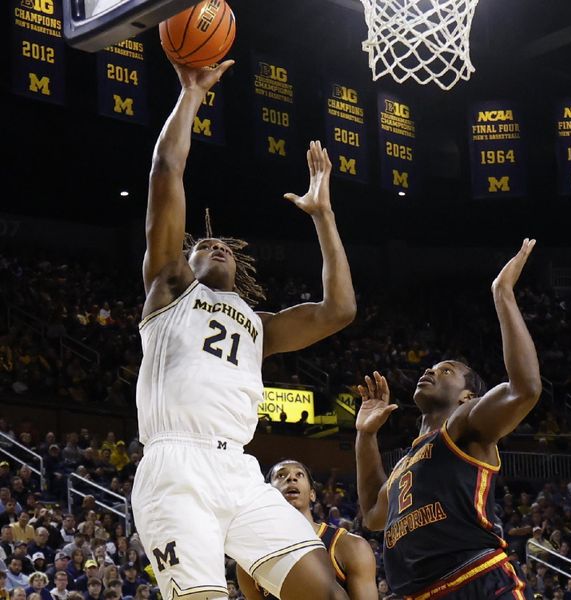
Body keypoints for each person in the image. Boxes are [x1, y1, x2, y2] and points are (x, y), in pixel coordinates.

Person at [132, 57, 355, 600]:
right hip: (174, 466)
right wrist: (191, 94)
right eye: (202, 244)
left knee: (325, 592)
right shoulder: (169, 288)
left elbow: (339, 310)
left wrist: (323, 216)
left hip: (239, 469)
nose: (215, 244)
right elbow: (166, 170)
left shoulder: (260, 326)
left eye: (224, 244)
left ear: (242, 269)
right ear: (187, 261)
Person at [355, 240, 541, 599]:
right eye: (432, 367)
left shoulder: (462, 426)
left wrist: (502, 294)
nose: (430, 370)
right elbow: (372, 515)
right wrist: (365, 436)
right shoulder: (405, 464)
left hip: (476, 580)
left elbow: (525, 389)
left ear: (468, 397)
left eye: (446, 370)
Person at [237, 460, 377, 600]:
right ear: (268, 495)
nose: (291, 478)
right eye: (281, 475)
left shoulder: (350, 546)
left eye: (299, 474)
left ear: (312, 494)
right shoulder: (249, 560)